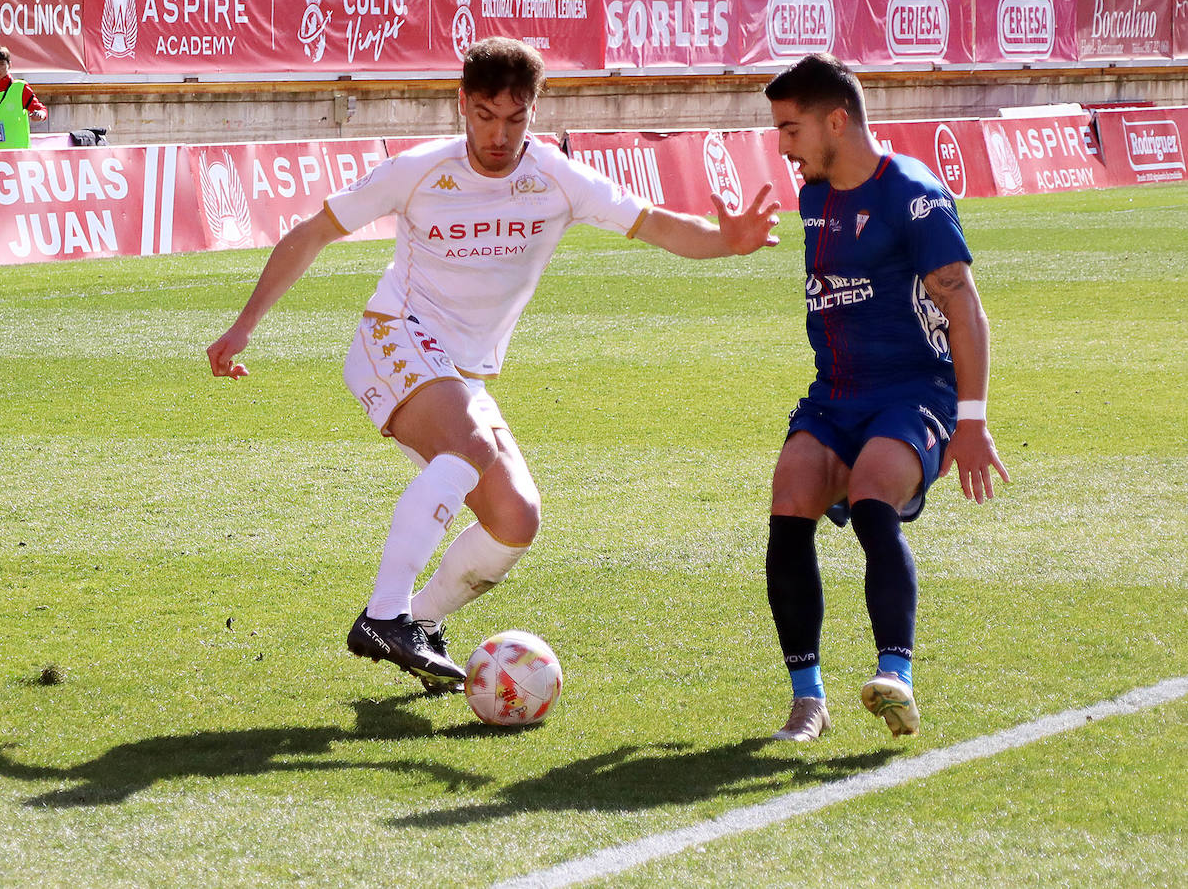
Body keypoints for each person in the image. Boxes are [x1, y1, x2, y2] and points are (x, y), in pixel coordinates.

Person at [207, 37, 781, 694]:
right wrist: (244, 325)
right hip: (393, 338)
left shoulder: (560, 179)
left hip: (461, 371)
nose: (499, 134)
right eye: (484, 115)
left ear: (534, 113)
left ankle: (418, 622)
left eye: (515, 118)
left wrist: (726, 243)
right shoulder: (420, 170)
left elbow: (657, 225)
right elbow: (312, 231)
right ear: (461, 105)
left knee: (515, 519)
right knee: (472, 445)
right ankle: (383, 614)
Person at [760, 54, 1009, 741]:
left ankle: (894, 675)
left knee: (874, 495)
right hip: (834, 396)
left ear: (836, 121)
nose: (783, 147)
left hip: (912, 393)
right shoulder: (813, 197)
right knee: (788, 498)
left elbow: (965, 307)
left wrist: (973, 421)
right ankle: (807, 699)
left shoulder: (914, 195)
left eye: (791, 130)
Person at [0, 45, 47, 150]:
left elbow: (40, 109)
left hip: (14, 152)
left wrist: (40, 115)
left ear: (9, 65)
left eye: (1, 64)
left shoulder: (20, 87)